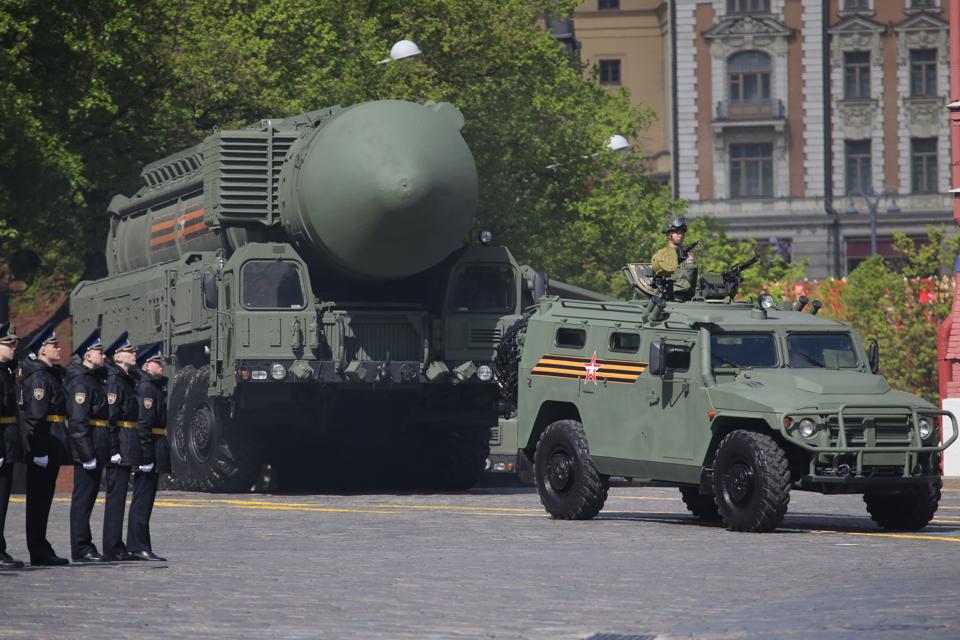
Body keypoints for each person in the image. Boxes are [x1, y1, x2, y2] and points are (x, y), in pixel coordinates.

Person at [19, 324, 71, 566]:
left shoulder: (49, 374)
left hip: (52, 443)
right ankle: (38, 549)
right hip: (44, 445)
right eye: (54, 345)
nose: (58, 348)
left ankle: (41, 547)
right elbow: (35, 419)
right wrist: (38, 451)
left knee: (44, 500)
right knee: (38, 501)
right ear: (41, 350)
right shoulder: (39, 377)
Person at [65, 328, 108, 562]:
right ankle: (81, 547)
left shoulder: (93, 379)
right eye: (99, 351)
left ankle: (84, 546)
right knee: (83, 500)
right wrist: (86, 454)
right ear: (87, 356)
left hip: (96, 445)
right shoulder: (81, 381)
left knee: (89, 499)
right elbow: (78, 420)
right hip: (87, 449)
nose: (103, 355)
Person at [127, 342, 168, 562]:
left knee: (145, 500)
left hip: (154, 445)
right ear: (147, 365)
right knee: (142, 500)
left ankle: (141, 544)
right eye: (157, 362)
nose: (162, 365)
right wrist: (146, 456)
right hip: (148, 448)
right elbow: (143, 424)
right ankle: (137, 546)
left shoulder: (153, 386)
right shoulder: (146, 388)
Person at [102, 332, 137, 561]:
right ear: (118, 356)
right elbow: (111, 418)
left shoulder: (125, 377)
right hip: (119, 444)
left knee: (120, 497)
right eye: (130, 351)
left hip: (126, 441)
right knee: (115, 499)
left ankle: (116, 545)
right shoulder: (115, 380)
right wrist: (113, 450)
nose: (135, 354)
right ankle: (112, 547)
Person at [0, 322, 24, 568]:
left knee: (3, 500)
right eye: (8, 344)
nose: (13, 347)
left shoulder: (6, 371)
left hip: (7, 440)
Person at [650, 216, 699, 301]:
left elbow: (694, 281)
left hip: (689, 301)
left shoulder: (689, 256)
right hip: (671, 300)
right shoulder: (662, 255)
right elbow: (656, 281)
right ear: (669, 234)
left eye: (682, 232)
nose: (680, 235)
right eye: (677, 232)